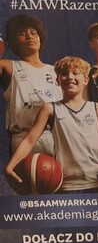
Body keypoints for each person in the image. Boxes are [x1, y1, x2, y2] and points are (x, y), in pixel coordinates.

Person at [6, 56, 98, 193]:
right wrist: (10, 166)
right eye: (64, 74)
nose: (70, 77)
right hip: (68, 185)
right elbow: (29, 140)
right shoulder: (50, 108)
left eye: (75, 73)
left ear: (85, 80)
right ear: (57, 80)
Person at [1, 14, 63, 156]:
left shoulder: (57, 70)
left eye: (33, 32)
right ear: (15, 41)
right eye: (22, 34)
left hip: (57, 137)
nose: (29, 36)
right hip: (23, 138)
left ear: (40, 37)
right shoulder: (9, 66)